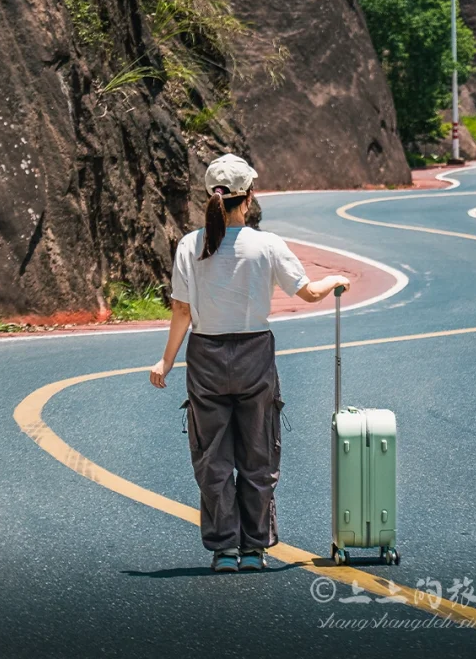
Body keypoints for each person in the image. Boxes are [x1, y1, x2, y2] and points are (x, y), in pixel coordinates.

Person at [149, 154, 348, 573]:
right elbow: (309, 292)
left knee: (213, 456)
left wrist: (166, 362)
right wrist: (335, 280)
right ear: (249, 197)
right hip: (256, 353)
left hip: (205, 356)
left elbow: (182, 312)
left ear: (210, 196)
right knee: (258, 452)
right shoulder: (268, 244)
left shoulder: (190, 244)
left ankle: (224, 550)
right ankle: (256, 548)